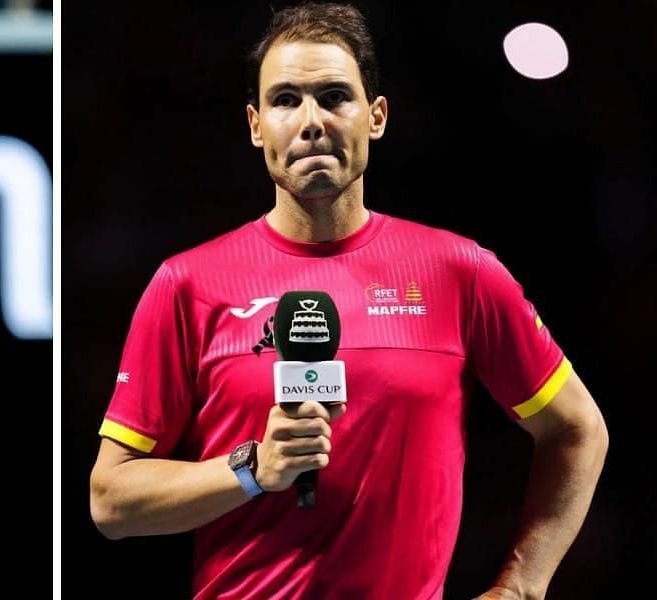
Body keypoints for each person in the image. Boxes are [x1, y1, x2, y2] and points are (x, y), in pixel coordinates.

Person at [88, 3, 608, 599]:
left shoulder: (459, 272)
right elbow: (111, 501)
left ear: (376, 116)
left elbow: (577, 429)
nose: (311, 121)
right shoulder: (186, 283)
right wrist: (251, 471)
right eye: (285, 100)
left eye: (334, 96)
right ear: (257, 126)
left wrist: (522, 586)